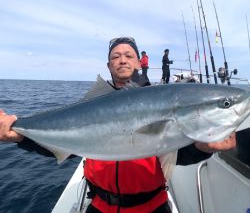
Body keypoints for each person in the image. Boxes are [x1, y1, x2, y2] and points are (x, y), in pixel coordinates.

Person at [0, 37, 236, 213]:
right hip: (100, 206)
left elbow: (178, 150)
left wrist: (203, 148)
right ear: (109, 65)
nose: (122, 59)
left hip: (151, 207)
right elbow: (68, 144)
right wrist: (20, 136)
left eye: (128, 55)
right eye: (115, 56)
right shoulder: (91, 104)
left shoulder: (161, 99)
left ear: (139, 62)